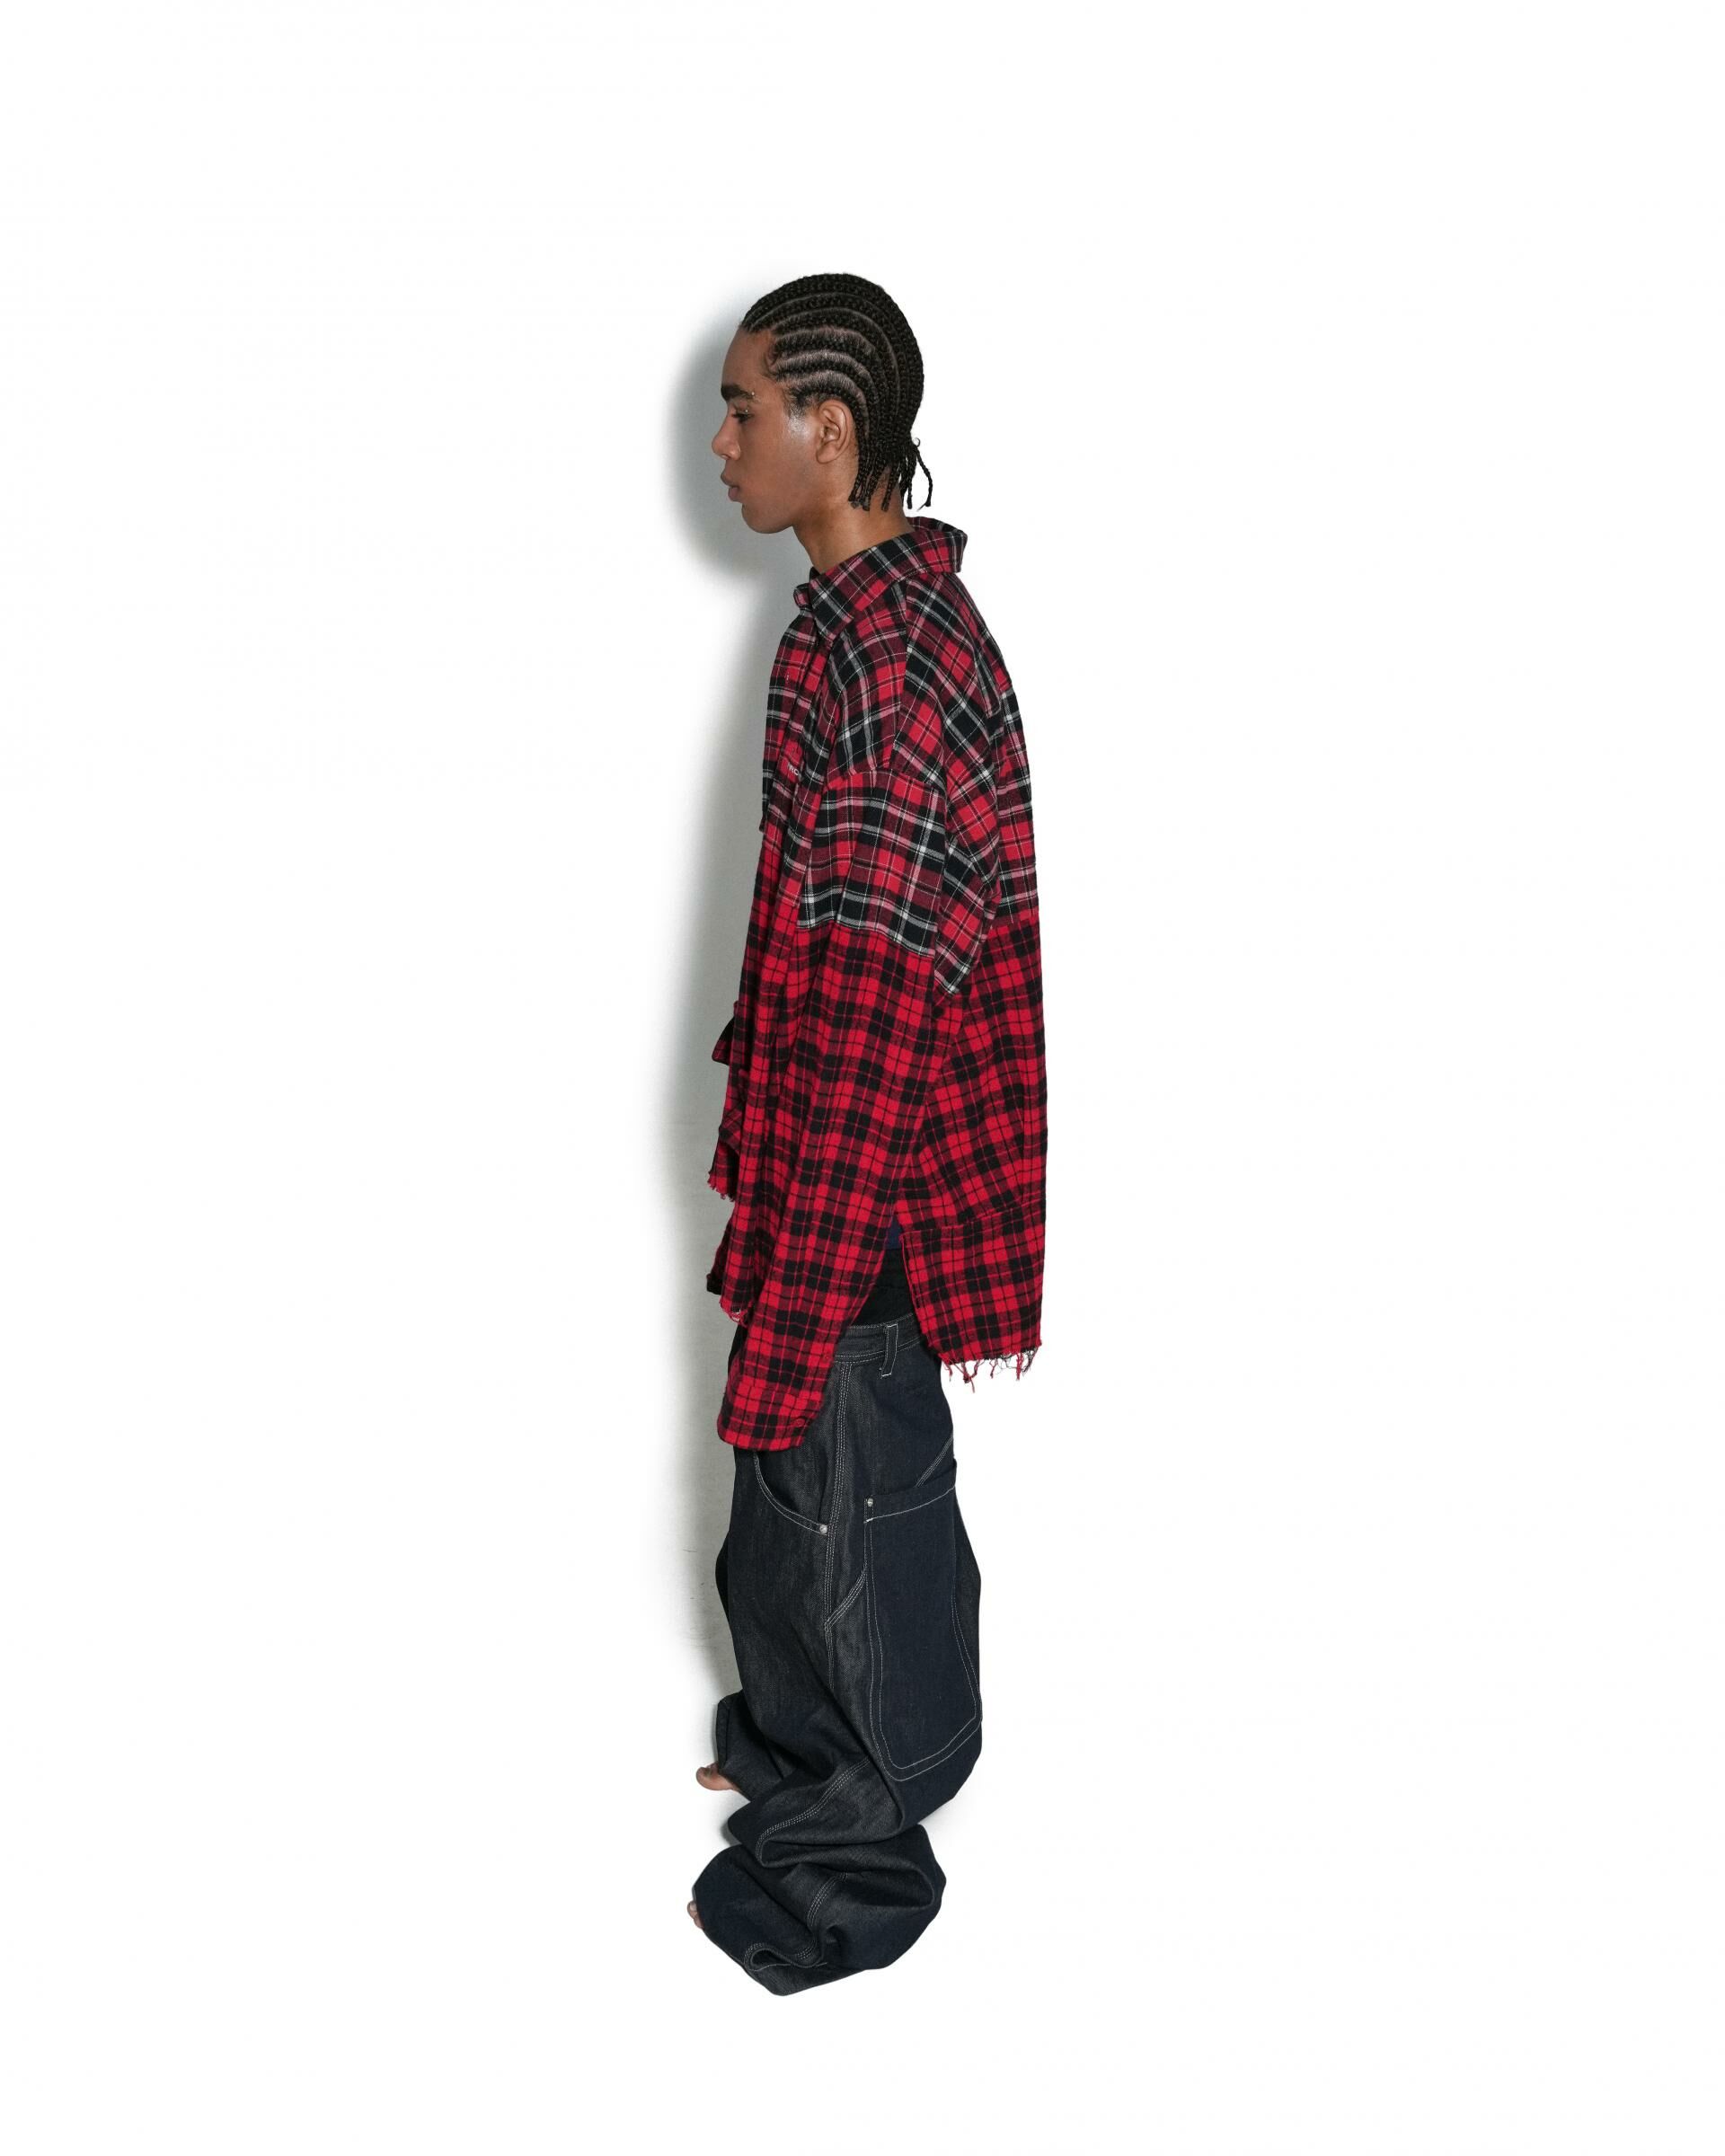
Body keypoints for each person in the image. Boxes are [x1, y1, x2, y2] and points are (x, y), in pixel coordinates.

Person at [688, 271, 1048, 1992]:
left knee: (844, 1500)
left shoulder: (896, 667)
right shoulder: (848, 622)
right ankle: (796, 1752)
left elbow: (884, 1015)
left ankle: (853, 1856)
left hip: (874, 1172)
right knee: (801, 1502)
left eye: (746, 411)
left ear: (831, 434)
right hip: (824, 1149)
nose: (722, 444)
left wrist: (810, 1260)